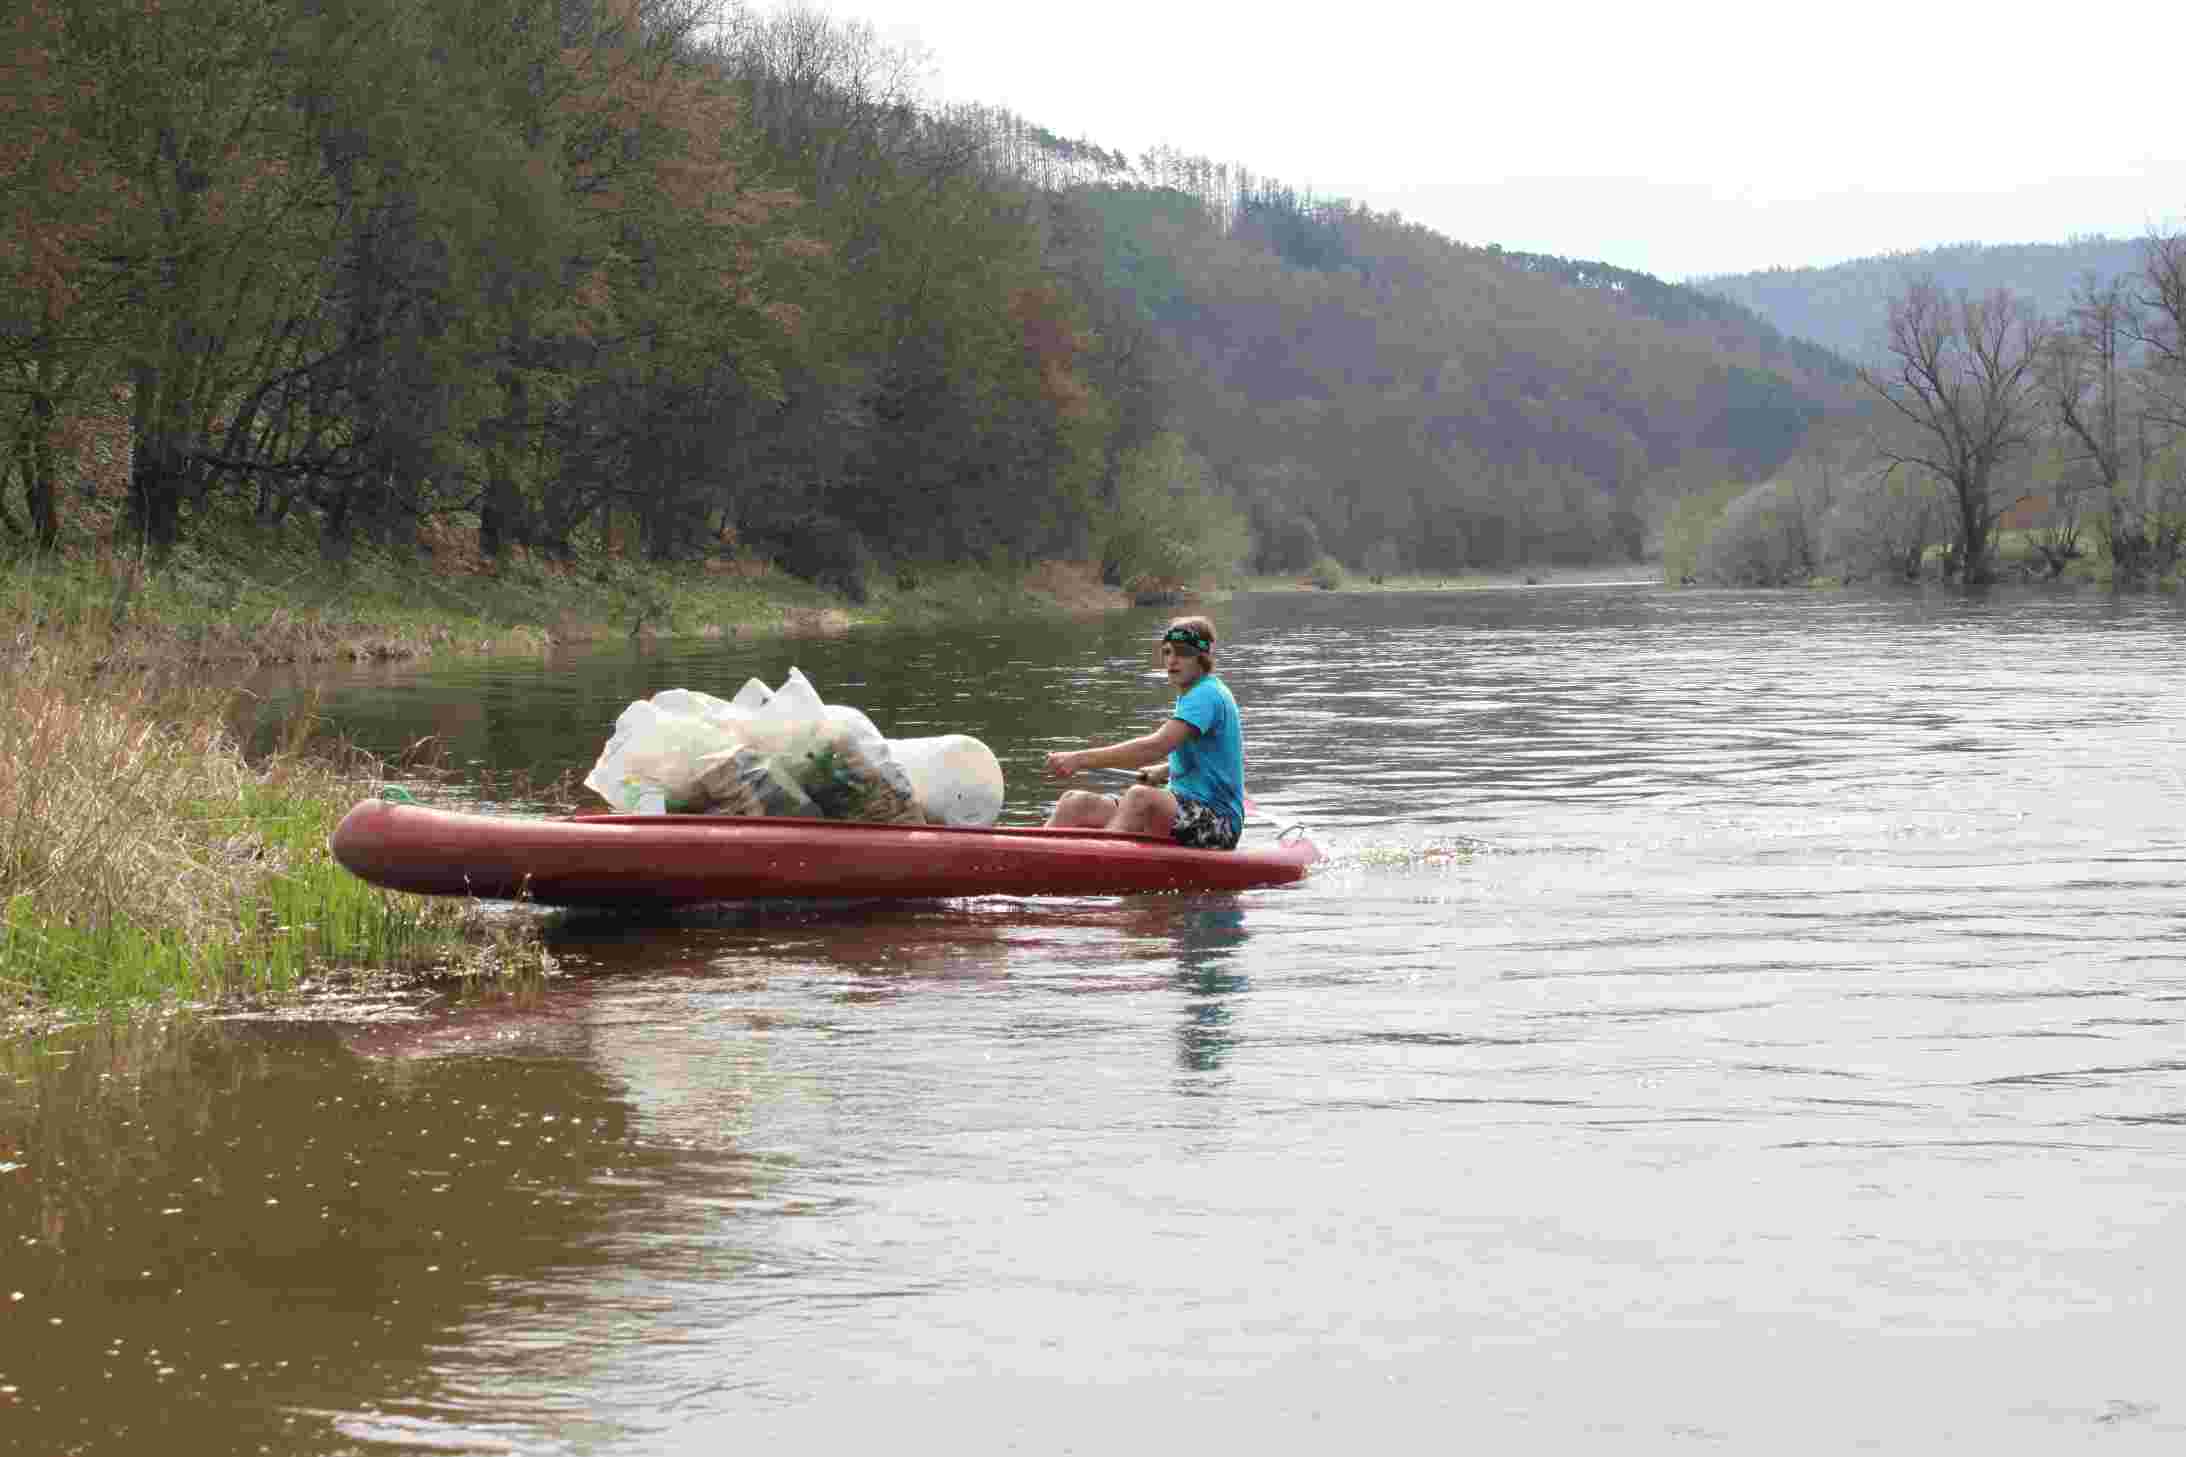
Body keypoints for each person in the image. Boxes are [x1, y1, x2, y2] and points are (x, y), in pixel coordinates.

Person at [1043, 616, 1245, 849]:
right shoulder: (1195, 693)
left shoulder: (1206, 695)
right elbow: (1211, 755)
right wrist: (1165, 769)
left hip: (1219, 824)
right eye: (1167, 652)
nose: (1173, 660)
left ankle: (1097, 864)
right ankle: (1034, 862)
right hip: (1185, 807)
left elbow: (1155, 747)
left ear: (1203, 657)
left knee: (1141, 797)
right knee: (1075, 803)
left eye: (1183, 652)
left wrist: (1079, 759)